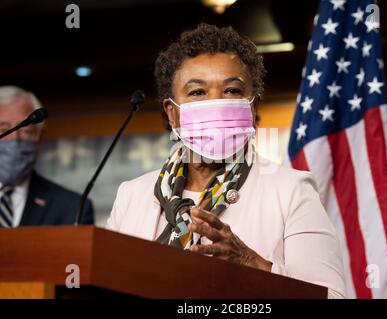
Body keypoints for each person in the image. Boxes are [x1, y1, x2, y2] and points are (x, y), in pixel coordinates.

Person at [106, 23, 345, 298]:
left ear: (252, 106)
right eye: (197, 92)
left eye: (232, 91)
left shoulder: (291, 191)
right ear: (172, 113)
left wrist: (252, 264)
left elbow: (333, 297)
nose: (216, 103)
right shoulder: (132, 196)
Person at [0, 86, 94, 227]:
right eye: (3, 129)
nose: (15, 139)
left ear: (41, 138)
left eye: (26, 130)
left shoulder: (73, 208)